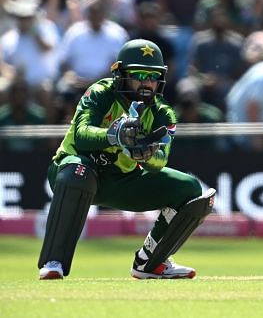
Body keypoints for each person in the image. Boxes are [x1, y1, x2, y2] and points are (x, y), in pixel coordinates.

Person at [38, 39, 216, 280]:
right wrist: (116, 134)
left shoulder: (164, 113)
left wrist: (148, 155)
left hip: (121, 180)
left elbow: (159, 163)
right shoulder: (100, 93)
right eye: (139, 75)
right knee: (78, 172)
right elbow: (82, 135)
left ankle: (151, 262)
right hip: (71, 169)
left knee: (192, 190)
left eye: (152, 76)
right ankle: (53, 261)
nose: (146, 82)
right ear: (121, 75)